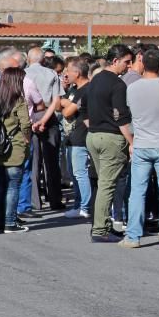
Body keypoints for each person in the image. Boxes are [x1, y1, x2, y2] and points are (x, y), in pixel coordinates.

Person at [121, 49, 159, 249]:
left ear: (142, 64)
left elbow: (128, 116)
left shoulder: (132, 88)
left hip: (142, 144)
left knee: (137, 192)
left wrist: (131, 141)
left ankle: (133, 236)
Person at [85, 44, 134, 243]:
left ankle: (102, 225)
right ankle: (100, 229)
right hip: (110, 138)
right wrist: (131, 142)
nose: (129, 66)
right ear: (115, 61)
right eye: (126, 62)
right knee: (107, 184)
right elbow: (121, 117)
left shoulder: (95, 80)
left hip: (93, 136)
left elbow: (86, 111)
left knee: (104, 182)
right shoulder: (118, 84)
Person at [0, 67, 32, 234]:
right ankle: (10, 223)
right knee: (13, 185)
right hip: (14, 146)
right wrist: (26, 138)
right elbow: (26, 124)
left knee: (0, 186)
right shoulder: (18, 99)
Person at [25, 46, 65, 210]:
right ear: (43, 60)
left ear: (29, 59)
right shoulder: (51, 74)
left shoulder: (23, 74)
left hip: (29, 118)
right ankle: (54, 199)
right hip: (48, 117)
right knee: (52, 161)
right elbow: (56, 102)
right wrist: (44, 120)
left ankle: (35, 201)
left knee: (33, 161)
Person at [61, 58, 92, 220]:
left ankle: (84, 206)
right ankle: (78, 204)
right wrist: (66, 102)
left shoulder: (87, 89)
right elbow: (60, 104)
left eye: (68, 71)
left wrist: (67, 104)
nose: (66, 74)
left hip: (81, 137)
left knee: (80, 173)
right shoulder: (74, 89)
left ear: (77, 73)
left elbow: (67, 112)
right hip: (71, 138)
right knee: (74, 174)